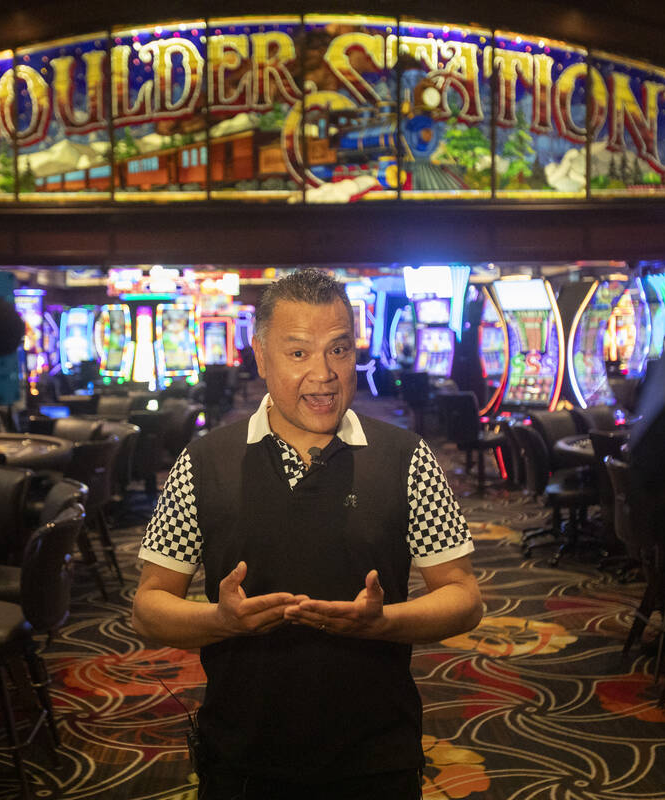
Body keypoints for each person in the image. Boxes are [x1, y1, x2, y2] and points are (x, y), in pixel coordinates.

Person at [132, 269, 483, 800]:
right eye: (298, 354)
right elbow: (149, 606)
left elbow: (464, 598)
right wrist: (220, 621)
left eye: (339, 350)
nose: (323, 374)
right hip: (242, 760)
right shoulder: (204, 462)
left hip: (375, 758)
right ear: (261, 355)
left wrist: (383, 623)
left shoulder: (407, 458)